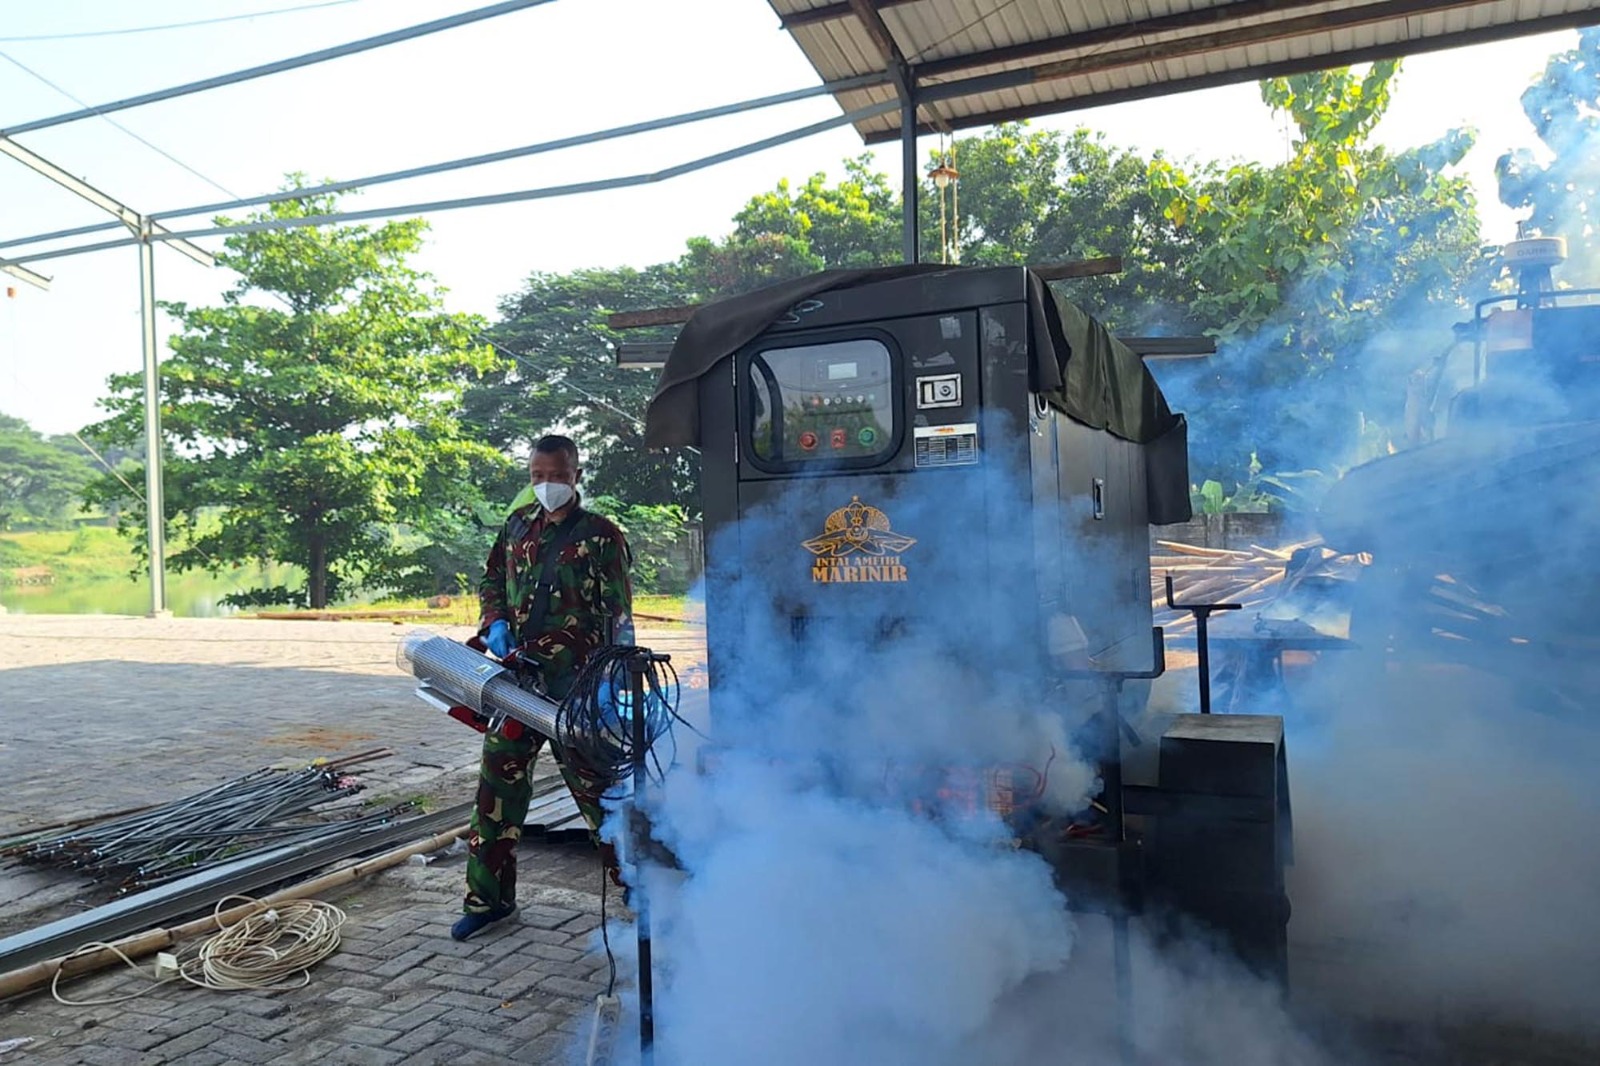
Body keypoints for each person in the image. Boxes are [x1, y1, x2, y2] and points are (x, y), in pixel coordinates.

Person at [452, 433, 635, 941]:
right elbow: (492, 581)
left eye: (556, 476)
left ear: (576, 476)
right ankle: (488, 901)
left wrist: (613, 680)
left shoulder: (601, 535)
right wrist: (494, 622)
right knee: (496, 793)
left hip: (577, 689)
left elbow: (618, 614)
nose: (546, 484)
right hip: (518, 685)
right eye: (537, 476)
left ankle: (640, 886)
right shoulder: (516, 526)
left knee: (600, 795)